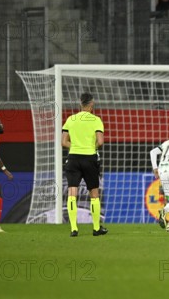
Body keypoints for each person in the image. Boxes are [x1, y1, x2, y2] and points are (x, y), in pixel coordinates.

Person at [61, 93, 107, 237]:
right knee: (94, 193)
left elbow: (64, 142)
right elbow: (100, 141)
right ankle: (96, 228)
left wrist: (76, 147)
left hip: (73, 158)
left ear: (80, 104)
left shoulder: (70, 119)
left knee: (72, 193)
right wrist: (90, 147)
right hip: (90, 158)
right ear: (91, 105)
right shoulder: (96, 120)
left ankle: (74, 229)